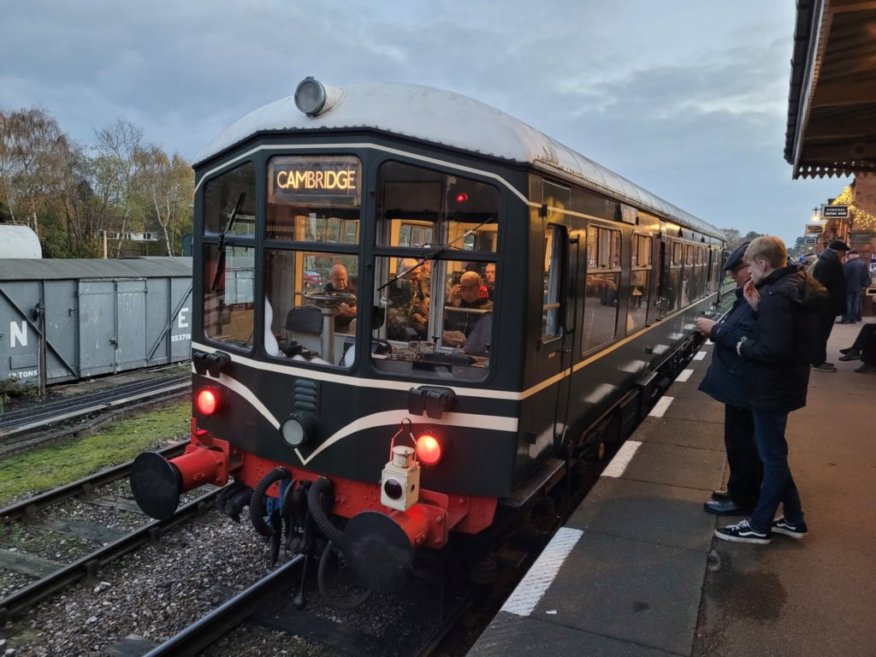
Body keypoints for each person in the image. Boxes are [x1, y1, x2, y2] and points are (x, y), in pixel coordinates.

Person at [714, 236, 825, 544]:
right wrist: (756, 307)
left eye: (749, 265)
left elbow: (771, 351)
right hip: (783, 385)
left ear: (763, 263)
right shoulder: (796, 285)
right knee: (772, 452)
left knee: (771, 457)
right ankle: (793, 519)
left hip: (771, 388)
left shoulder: (778, 294)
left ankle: (759, 525)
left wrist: (728, 337)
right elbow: (784, 336)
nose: (747, 272)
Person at [695, 242, 761, 516]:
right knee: (739, 441)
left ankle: (744, 499)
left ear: (755, 265)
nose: (733, 275)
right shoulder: (755, 292)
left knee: (744, 443)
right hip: (743, 384)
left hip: (748, 385)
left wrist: (716, 331)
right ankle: (739, 490)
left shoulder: (766, 296)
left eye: (736, 269)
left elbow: (752, 341)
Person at [809, 240, 849, 371]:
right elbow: (822, 285)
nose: (843, 255)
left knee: (821, 333)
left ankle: (818, 359)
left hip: (827, 305)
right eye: (842, 252)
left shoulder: (827, 262)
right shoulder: (829, 264)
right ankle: (818, 361)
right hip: (826, 305)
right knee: (821, 333)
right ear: (837, 252)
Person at [443, 270, 493, 347]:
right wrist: (450, 300)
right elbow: (442, 324)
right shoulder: (455, 304)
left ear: (479, 287)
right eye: (463, 288)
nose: (466, 292)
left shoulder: (488, 307)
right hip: (453, 346)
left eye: (470, 288)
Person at [386, 258, 429, 341]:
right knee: (420, 330)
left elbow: (423, 298)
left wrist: (426, 301)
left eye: (418, 273)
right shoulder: (394, 286)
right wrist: (415, 316)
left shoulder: (420, 284)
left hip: (418, 318)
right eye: (413, 274)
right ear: (403, 274)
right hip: (400, 323)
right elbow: (397, 308)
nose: (416, 277)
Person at [323, 263, 357, 332]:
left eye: (343, 279)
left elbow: (356, 310)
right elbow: (322, 309)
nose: (341, 283)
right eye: (338, 280)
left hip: (351, 326)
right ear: (331, 279)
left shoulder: (354, 289)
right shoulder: (327, 290)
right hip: (332, 327)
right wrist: (342, 310)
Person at [841, 250, 871, 323]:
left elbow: (845, 276)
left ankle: (846, 318)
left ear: (852, 255)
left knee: (848, 302)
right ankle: (853, 318)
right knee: (855, 303)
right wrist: (864, 285)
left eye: (848, 255)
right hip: (858, 287)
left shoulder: (848, 265)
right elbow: (866, 276)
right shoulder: (863, 264)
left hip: (848, 287)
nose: (847, 257)